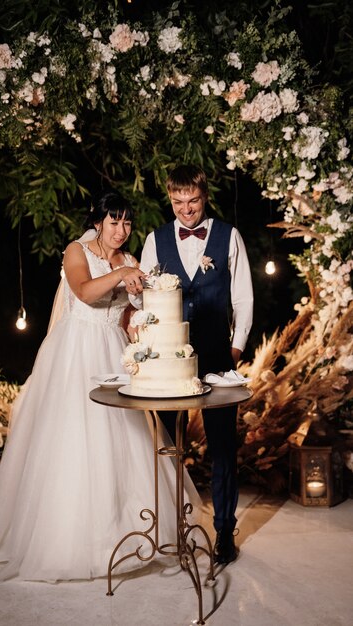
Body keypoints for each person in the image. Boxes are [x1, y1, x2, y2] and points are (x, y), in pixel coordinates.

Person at [0, 190, 196, 582]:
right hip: (75, 354)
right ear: (98, 221)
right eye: (114, 222)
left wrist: (139, 314)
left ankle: (127, 532)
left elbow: (124, 318)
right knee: (74, 441)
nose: (121, 230)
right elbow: (85, 292)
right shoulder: (77, 251)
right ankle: (67, 541)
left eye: (127, 223)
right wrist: (120, 276)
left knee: (125, 441)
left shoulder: (131, 261)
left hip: (113, 353)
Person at [133, 165, 253, 565]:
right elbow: (143, 299)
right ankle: (170, 528)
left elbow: (244, 300)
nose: (186, 210)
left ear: (205, 196)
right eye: (178, 202)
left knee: (222, 448)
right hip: (168, 363)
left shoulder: (228, 236)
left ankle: (223, 533)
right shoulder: (155, 240)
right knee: (166, 447)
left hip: (218, 357)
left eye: (194, 201)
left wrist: (233, 352)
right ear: (170, 199)